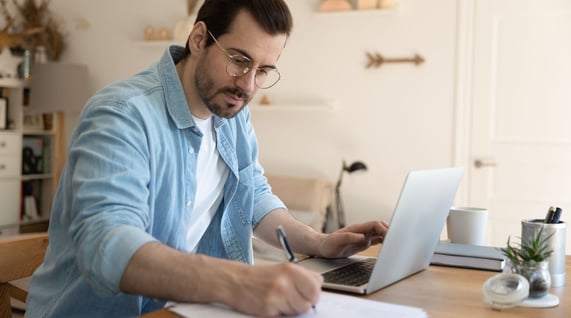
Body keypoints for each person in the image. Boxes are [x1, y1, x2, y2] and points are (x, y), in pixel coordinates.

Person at [25, 0, 388, 317]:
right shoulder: (121, 114)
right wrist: (239, 281)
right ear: (199, 39)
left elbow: (253, 193)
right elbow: (106, 245)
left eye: (263, 71)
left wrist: (318, 241)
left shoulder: (231, 111)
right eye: (239, 61)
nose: (248, 86)